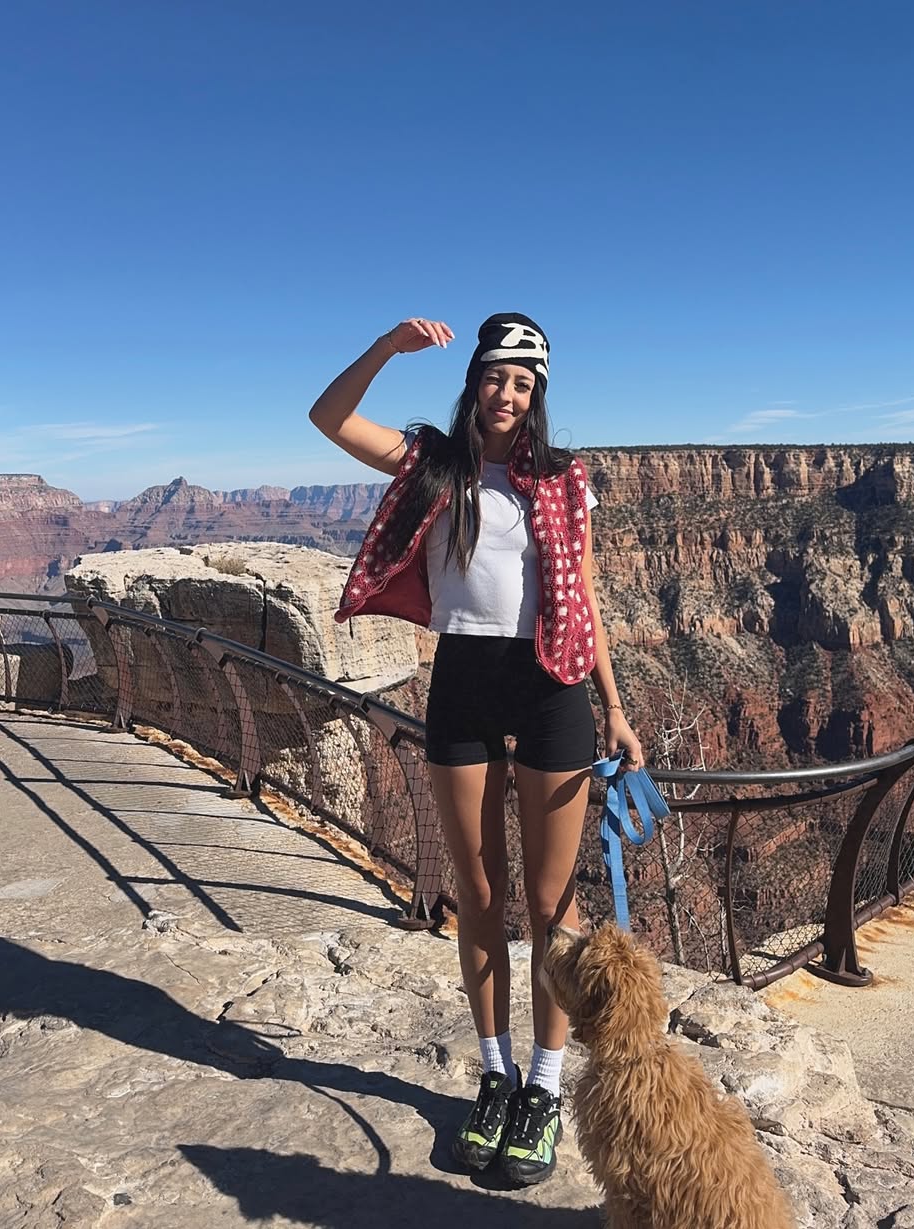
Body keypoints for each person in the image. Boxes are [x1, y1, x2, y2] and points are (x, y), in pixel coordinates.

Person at [309, 313, 644, 1187]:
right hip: (462, 677)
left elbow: (586, 598)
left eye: (523, 383)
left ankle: (544, 1086)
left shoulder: (565, 478)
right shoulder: (432, 462)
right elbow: (328, 418)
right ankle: (495, 1075)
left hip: (552, 682)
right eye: (496, 376)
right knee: (481, 893)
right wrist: (386, 348)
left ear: (538, 395)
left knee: (551, 900)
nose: (507, 393)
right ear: (475, 382)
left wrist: (615, 706)